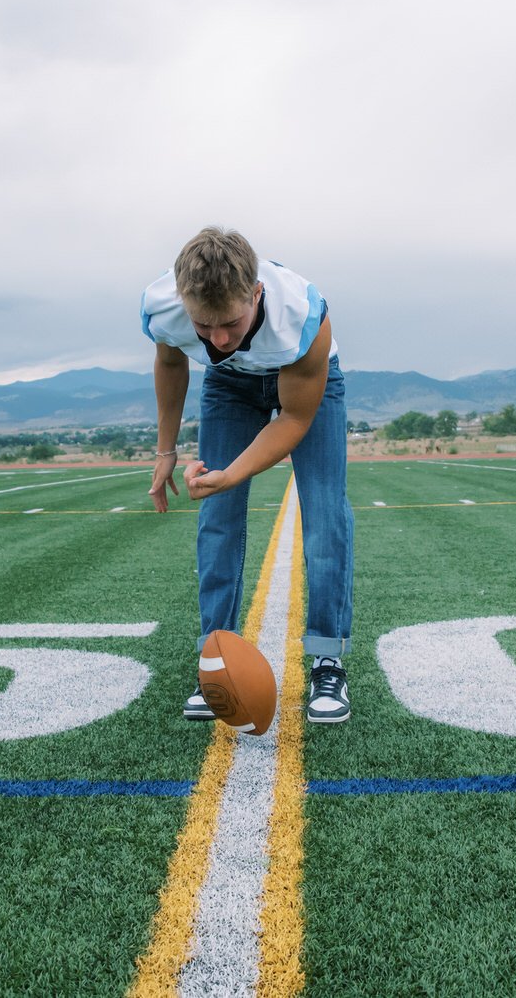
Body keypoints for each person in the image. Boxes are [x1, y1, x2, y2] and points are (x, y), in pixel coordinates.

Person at [141, 226, 354, 723]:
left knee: (325, 514)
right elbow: (170, 362)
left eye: (231, 325)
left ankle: (328, 660)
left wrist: (233, 473)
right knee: (217, 515)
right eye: (204, 326)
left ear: (256, 294)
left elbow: (295, 419)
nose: (217, 340)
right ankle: (215, 660)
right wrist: (166, 449)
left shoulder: (302, 314)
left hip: (306, 382)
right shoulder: (164, 307)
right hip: (230, 388)